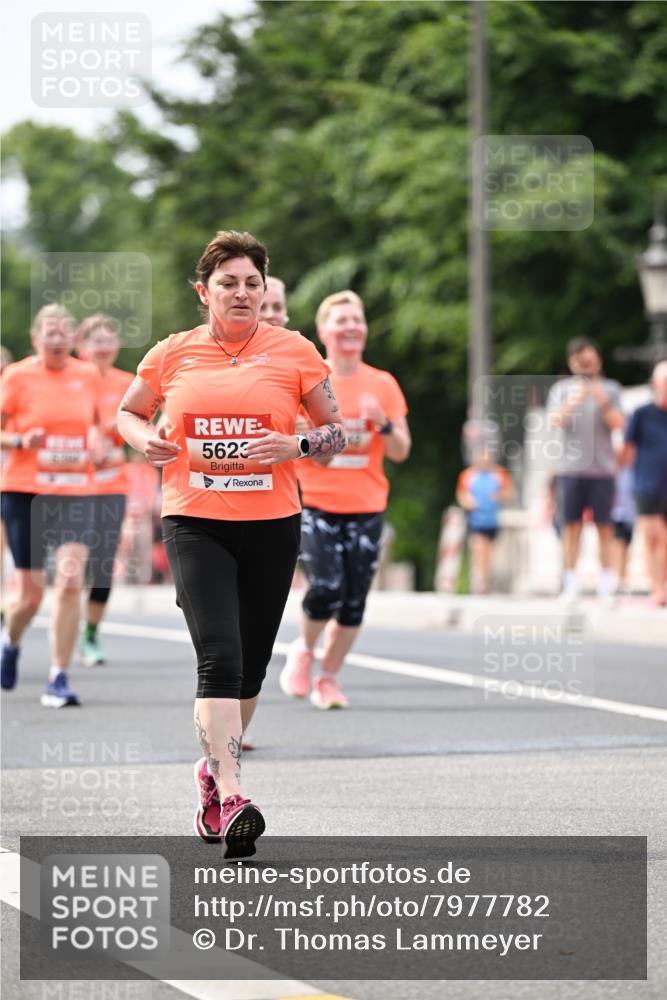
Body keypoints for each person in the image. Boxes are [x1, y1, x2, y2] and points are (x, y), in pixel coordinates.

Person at [117, 230, 344, 858]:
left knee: (249, 669)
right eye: (228, 283)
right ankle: (234, 791)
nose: (242, 293)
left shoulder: (295, 351)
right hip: (195, 521)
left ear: (264, 290)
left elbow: (336, 433)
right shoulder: (172, 354)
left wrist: (294, 446)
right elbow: (128, 412)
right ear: (203, 292)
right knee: (218, 654)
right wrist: (143, 441)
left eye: (252, 283)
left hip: (272, 525)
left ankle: (211, 777)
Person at [279, 289, 410, 710]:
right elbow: (297, 443)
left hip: (367, 504)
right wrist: (321, 450)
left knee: (354, 602)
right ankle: (304, 650)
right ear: (323, 332)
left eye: (357, 319)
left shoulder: (382, 383)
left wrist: (383, 423)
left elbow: (401, 451)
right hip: (315, 501)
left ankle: (329, 678)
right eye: (341, 320)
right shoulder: (310, 380)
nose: (351, 327)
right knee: (327, 587)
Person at [0, 304, 103, 705]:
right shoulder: (16, 376)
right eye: (50, 332)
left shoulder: (88, 375)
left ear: (74, 339)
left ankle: (58, 676)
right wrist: (19, 441)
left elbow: (96, 421)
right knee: (29, 597)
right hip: (25, 490)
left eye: (64, 332)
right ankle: (10, 641)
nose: (57, 339)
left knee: (71, 578)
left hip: (76, 490)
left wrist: (95, 438)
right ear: (35, 337)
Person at [546, 338, 625, 600]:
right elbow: (554, 421)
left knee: (605, 527)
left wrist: (601, 400)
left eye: (591, 360)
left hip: (602, 470)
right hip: (570, 469)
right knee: (570, 526)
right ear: (573, 363)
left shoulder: (611, 389)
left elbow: (620, 423)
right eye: (582, 361)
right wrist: (574, 400)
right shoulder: (561, 389)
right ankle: (569, 581)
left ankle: (607, 583)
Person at [76, 314, 134, 665]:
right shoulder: (68, 379)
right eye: (94, 340)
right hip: (69, 488)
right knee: (70, 561)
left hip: (112, 485)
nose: (102, 347)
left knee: (101, 564)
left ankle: (90, 635)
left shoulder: (128, 383)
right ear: (80, 346)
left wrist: (120, 426)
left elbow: (147, 425)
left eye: (109, 339)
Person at [620, 360, 667, 606]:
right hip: (647, 485)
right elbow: (626, 452)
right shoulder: (641, 414)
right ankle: (656, 589)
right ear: (656, 384)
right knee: (654, 538)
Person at [456, 447, 513, 595]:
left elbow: (509, 493)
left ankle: (485, 581)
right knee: (478, 550)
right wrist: (468, 502)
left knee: (489, 553)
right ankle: (479, 582)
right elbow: (461, 495)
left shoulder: (499, 474)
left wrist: (498, 496)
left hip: (492, 520)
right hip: (476, 520)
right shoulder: (469, 475)